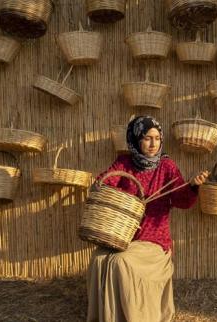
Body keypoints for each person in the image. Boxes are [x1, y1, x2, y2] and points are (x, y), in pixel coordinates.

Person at [86, 115, 209, 322]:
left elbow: (182, 200)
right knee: (99, 259)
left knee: (120, 261)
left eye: (157, 138)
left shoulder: (166, 166)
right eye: (146, 138)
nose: (153, 144)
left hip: (153, 239)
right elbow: (104, 182)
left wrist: (193, 186)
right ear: (135, 140)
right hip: (123, 236)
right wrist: (104, 188)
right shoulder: (124, 162)